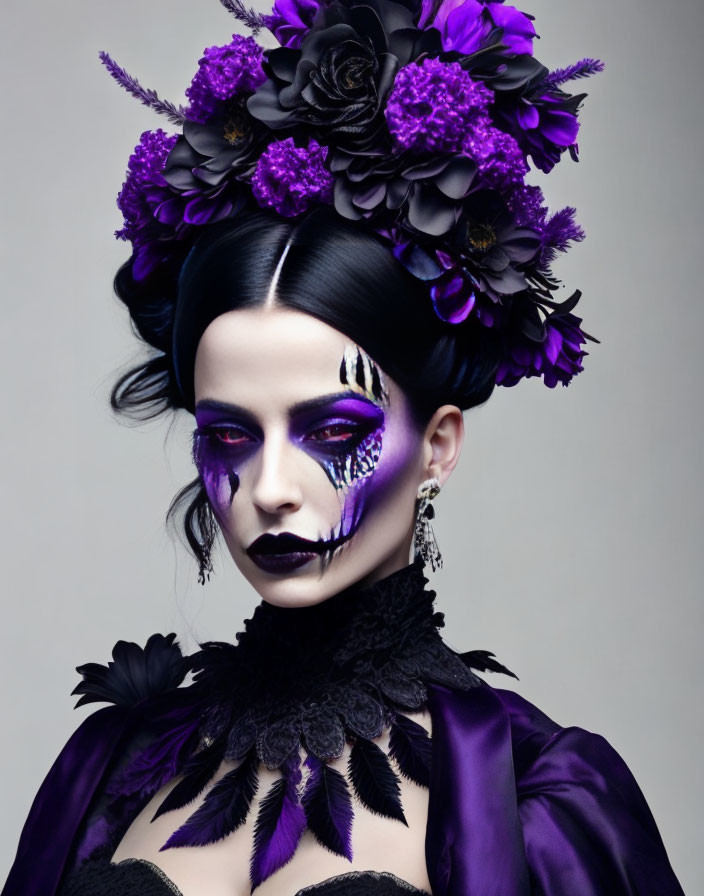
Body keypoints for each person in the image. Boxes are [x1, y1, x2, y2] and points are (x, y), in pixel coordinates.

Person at [2, 0, 687, 894]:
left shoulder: (539, 801)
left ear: (438, 446)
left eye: (333, 432)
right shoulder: (105, 767)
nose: (269, 488)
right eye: (228, 436)